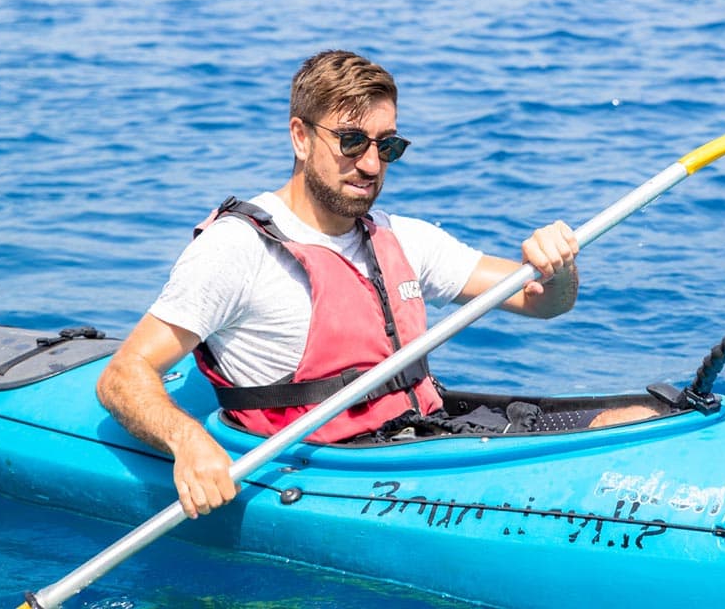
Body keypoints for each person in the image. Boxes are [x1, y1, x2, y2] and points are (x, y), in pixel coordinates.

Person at [97, 49, 601, 520]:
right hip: (324, 474)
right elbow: (124, 373)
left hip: (418, 441)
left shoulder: (401, 237)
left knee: (625, 416)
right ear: (300, 137)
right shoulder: (236, 250)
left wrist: (557, 267)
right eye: (352, 141)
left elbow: (543, 305)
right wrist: (187, 441)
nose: (371, 164)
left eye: (388, 146)